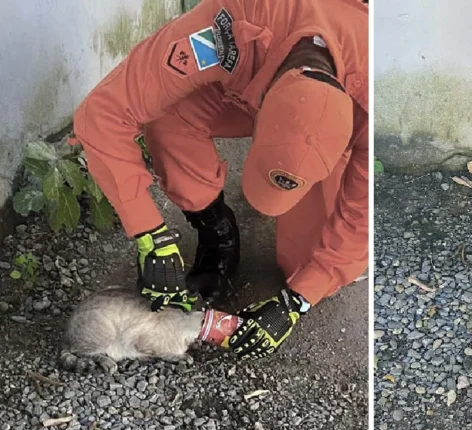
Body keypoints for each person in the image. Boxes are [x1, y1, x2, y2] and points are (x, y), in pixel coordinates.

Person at [71, 0, 369, 360]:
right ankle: (217, 231)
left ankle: (318, 178)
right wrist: (151, 234)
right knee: (168, 114)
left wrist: (296, 302)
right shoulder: (229, 27)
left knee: (305, 266)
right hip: (247, 83)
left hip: (340, 118)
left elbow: (360, 220)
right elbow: (102, 114)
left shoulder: (378, 94)